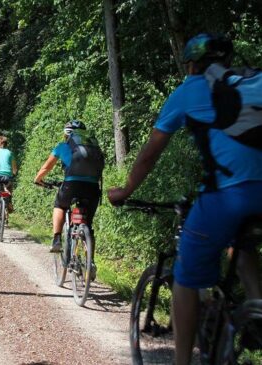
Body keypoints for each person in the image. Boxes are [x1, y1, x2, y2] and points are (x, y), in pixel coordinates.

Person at [108, 33, 262, 365]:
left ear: (191, 63)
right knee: (242, 243)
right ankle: (256, 310)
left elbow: (149, 154)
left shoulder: (189, 90)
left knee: (185, 276)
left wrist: (124, 191)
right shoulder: (249, 85)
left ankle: (182, 361)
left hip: (227, 195)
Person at [34, 120, 104, 279]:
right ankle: (90, 262)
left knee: (60, 205)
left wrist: (38, 179)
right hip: (93, 187)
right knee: (88, 224)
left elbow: (46, 167)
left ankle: (57, 238)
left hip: (71, 185)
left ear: (67, 134)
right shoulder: (94, 147)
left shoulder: (63, 146)